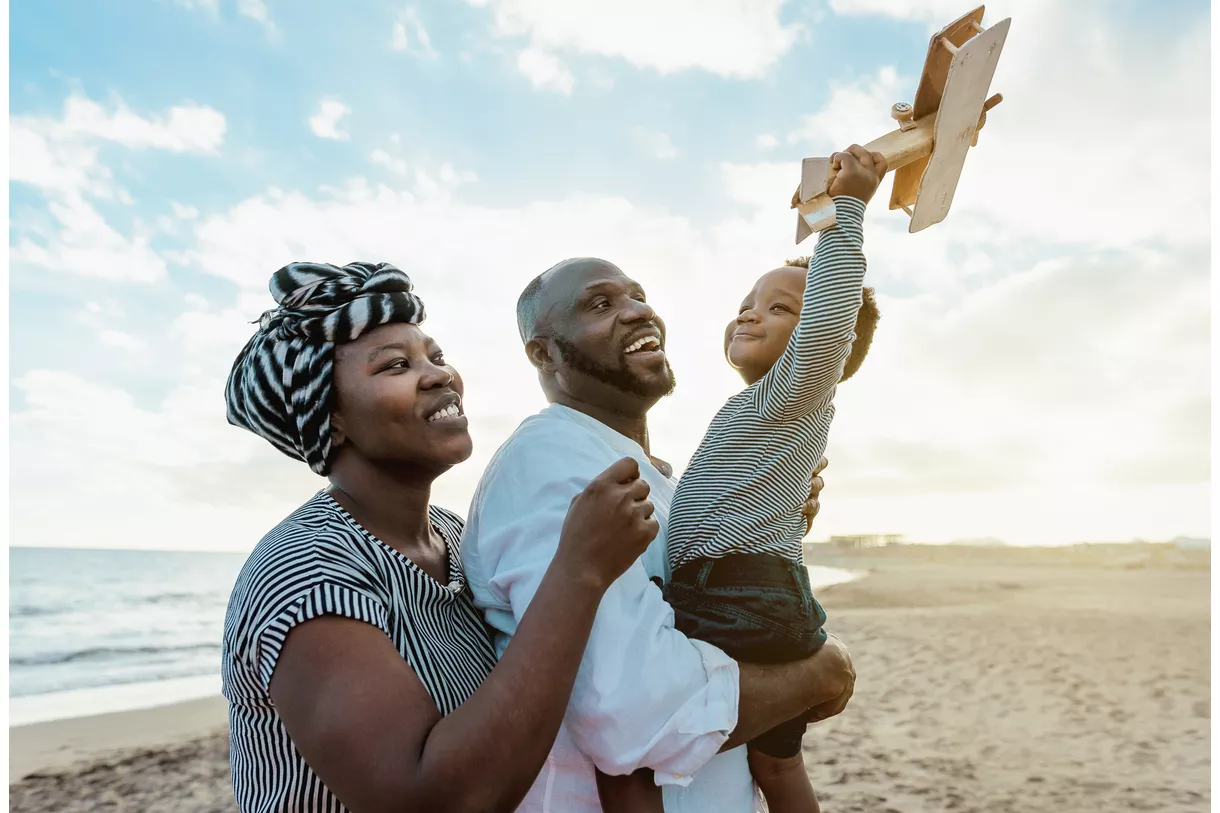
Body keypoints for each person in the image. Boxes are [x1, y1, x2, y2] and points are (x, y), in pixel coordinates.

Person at [220, 260, 662, 813]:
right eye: (396, 367)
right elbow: (430, 799)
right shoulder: (308, 571)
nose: (439, 376)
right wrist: (579, 572)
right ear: (330, 417)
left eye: (437, 357)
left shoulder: (454, 537)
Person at [460, 246, 858, 809]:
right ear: (543, 352)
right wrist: (819, 673)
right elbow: (634, 714)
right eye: (600, 304)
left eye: (639, 297)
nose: (638, 311)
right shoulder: (552, 459)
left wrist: (778, 513)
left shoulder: (659, 476)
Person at [596, 145, 886, 813]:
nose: (750, 313)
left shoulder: (796, 389)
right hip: (753, 590)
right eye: (746, 302)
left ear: (823, 342)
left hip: (740, 596)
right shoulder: (765, 415)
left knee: (640, 744)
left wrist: (848, 213)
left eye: (780, 309)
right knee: (776, 767)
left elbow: (829, 324)